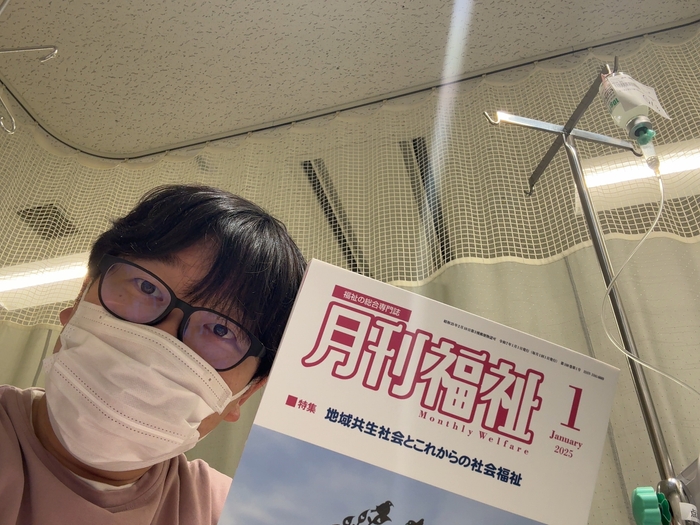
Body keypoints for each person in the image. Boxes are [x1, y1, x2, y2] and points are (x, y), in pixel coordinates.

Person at [0, 184, 307, 525]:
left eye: (221, 330)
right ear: (80, 297)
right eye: (146, 287)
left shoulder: (236, 515)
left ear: (246, 394)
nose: (161, 339)